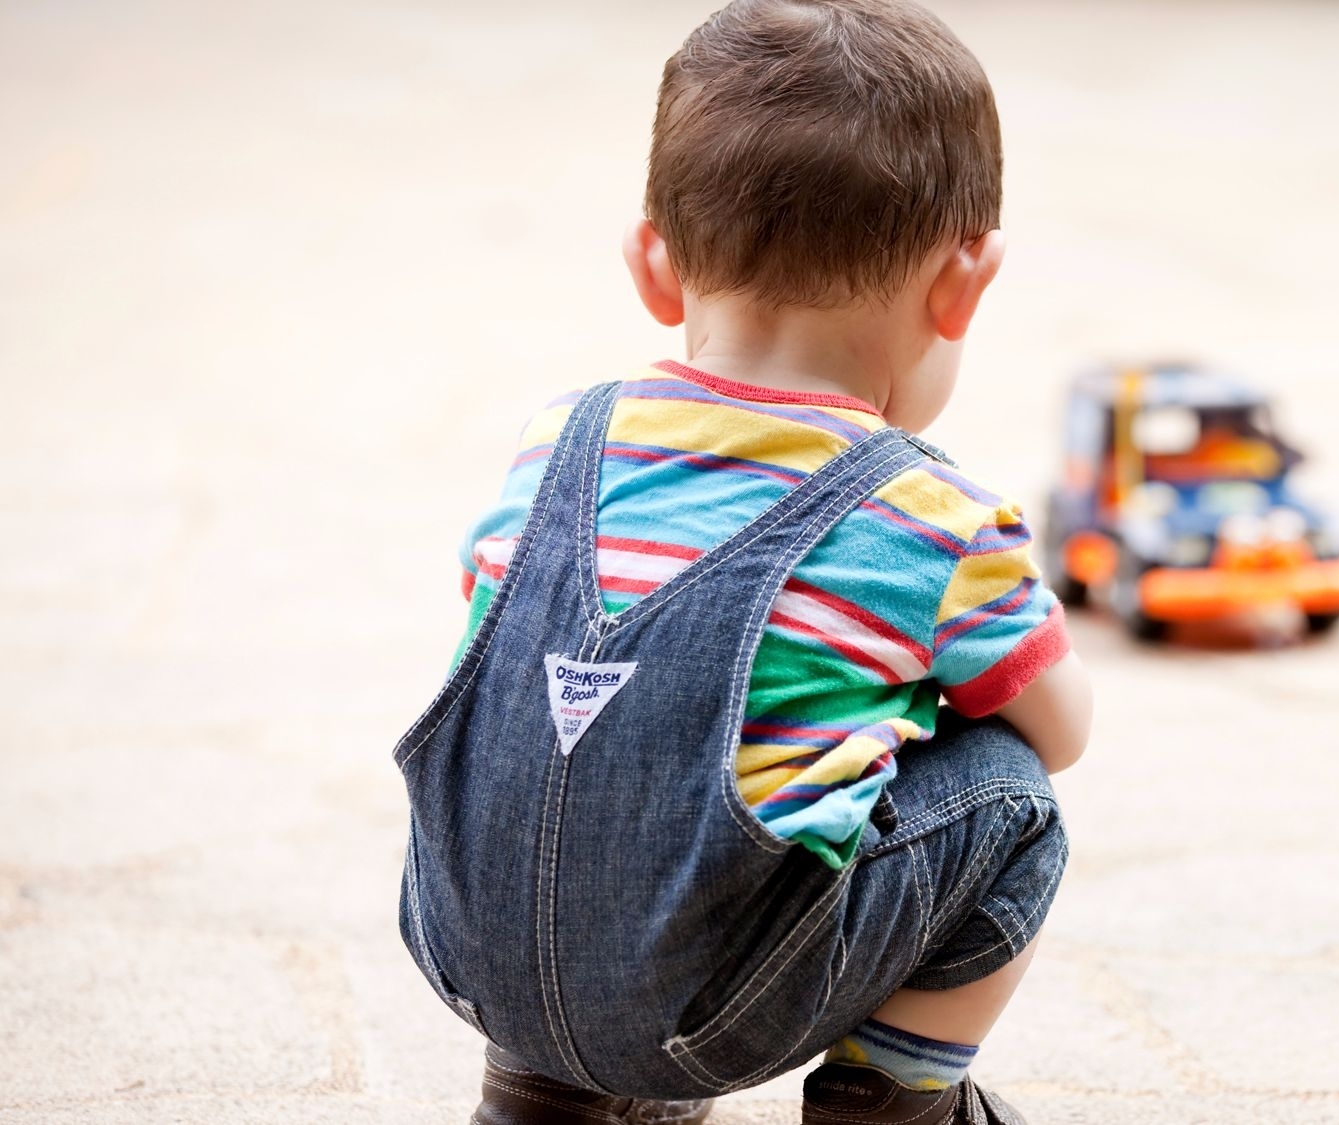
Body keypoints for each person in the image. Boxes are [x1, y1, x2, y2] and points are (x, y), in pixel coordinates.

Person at [389, 2, 1091, 1123]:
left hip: (476, 959)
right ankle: (893, 1100)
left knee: (574, 751)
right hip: (723, 1008)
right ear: (966, 283)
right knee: (1007, 794)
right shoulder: (930, 514)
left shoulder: (552, 443)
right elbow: (1059, 734)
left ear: (652, 267)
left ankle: (551, 1091)